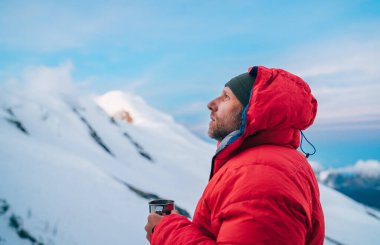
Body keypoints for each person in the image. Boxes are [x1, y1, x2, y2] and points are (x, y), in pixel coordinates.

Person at [145, 66, 325, 244]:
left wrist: (166, 231)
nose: (211, 104)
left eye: (226, 97)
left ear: (252, 111)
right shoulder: (267, 162)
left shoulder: (260, 176)